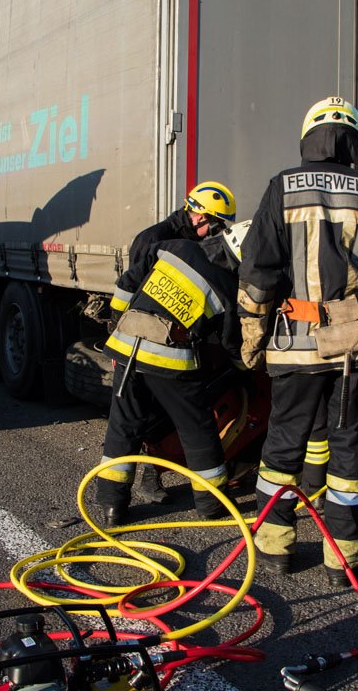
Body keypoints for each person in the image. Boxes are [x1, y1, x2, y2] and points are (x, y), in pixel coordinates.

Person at [238, 96, 358, 587]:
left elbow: (257, 273)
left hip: (295, 346)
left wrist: (251, 338)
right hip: (357, 349)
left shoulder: (283, 187)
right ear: (354, 140)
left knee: (283, 447)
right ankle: (344, 560)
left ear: (308, 136)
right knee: (349, 452)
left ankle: (274, 549)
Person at [96, 222, 251, 527]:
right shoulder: (228, 287)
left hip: (126, 346)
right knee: (197, 428)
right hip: (170, 358)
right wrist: (246, 368)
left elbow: (128, 282)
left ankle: (112, 506)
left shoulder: (176, 246)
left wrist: (117, 321)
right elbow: (233, 344)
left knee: (124, 426)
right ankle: (211, 503)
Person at [112, 181, 237, 503]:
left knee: (130, 421)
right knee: (162, 417)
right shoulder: (153, 240)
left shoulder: (189, 242)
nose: (215, 233)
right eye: (215, 224)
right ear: (197, 214)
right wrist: (118, 332)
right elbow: (131, 291)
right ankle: (151, 476)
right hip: (155, 345)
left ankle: (114, 498)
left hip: (168, 344)